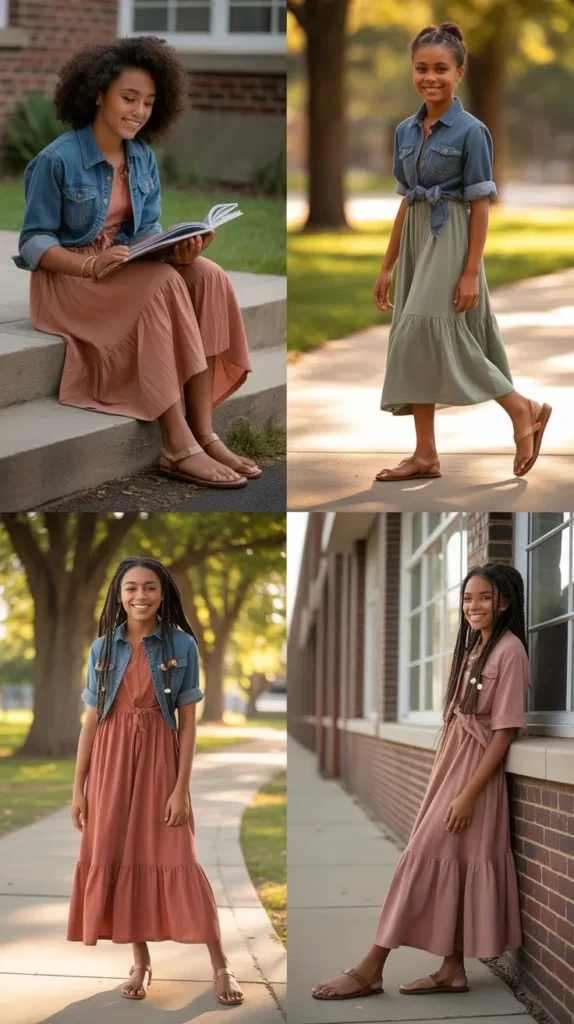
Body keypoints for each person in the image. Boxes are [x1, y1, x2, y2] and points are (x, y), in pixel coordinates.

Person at [14, 36, 262, 490]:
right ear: (97, 94)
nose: (139, 111)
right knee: (162, 285)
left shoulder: (142, 157)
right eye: (129, 98)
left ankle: (204, 432)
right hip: (70, 281)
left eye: (149, 102)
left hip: (123, 268)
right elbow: (32, 243)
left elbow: (146, 229)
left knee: (206, 276)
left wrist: (177, 248)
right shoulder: (57, 160)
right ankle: (176, 443)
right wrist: (89, 266)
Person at [312, 562, 529, 1000]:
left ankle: (371, 967)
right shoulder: (475, 649)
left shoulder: (509, 651)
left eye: (484, 597)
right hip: (452, 769)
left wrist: (468, 795)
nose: (474, 605)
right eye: (468, 598)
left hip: (473, 779)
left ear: (504, 601)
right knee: (453, 867)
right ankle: (452, 970)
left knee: (421, 858)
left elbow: (504, 732)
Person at [373, 23, 551, 483]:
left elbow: (480, 206)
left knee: (430, 334)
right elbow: (407, 200)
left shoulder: (473, 132)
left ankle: (521, 407)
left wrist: (470, 270)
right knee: (417, 344)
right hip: (416, 238)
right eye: (421, 68)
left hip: (451, 238)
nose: (430, 77)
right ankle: (426, 455)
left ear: (460, 72)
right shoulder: (405, 131)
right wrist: (388, 264)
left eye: (441, 69)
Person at [68, 556, 244, 1006]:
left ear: (163, 594)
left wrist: (181, 787)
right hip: (109, 763)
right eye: (131, 588)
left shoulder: (181, 645)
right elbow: (91, 722)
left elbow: (188, 723)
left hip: (159, 764)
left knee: (177, 856)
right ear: (119, 594)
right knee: (119, 856)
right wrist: (79, 788)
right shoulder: (101, 648)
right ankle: (141, 961)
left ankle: (221, 965)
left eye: (149, 587)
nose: (140, 596)